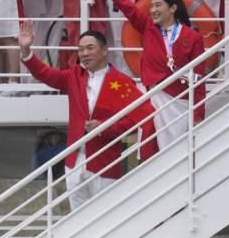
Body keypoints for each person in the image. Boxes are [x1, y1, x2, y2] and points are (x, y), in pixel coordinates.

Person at [19, 23, 151, 210]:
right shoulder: (74, 76)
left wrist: (105, 127)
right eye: (80, 49)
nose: (84, 53)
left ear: (104, 50)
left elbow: (138, 118)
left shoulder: (121, 82)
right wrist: (26, 50)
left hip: (104, 160)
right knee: (77, 216)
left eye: (90, 48)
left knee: (105, 216)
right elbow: (45, 74)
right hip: (74, 161)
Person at [90, 0, 204, 149]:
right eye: (151, 6)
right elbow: (125, 4)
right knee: (151, 151)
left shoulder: (193, 37)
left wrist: (198, 114)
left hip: (180, 104)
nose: (152, 10)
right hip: (153, 99)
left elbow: (198, 78)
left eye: (158, 5)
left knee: (179, 155)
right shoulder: (148, 27)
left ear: (173, 8)